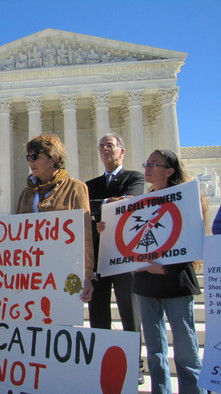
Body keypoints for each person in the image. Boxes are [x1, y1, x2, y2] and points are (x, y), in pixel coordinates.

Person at [97, 149, 205, 394]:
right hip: (145, 283)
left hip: (175, 281)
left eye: (153, 164)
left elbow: (189, 238)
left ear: (169, 170)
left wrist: (165, 267)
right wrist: (107, 227)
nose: (146, 167)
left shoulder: (185, 199)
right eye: (146, 163)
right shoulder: (141, 202)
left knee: (186, 349)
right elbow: (129, 236)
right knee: (155, 351)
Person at [86, 133, 145, 384]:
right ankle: (102, 361)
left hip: (124, 255)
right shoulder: (91, 183)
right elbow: (86, 207)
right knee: (98, 313)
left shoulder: (135, 177)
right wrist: (111, 202)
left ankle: (135, 365)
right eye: (101, 147)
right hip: (99, 254)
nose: (105, 150)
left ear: (122, 150)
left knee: (129, 311)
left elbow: (131, 205)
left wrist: (102, 209)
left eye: (109, 146)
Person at [15, 134, 94, 301]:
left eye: (35, 156)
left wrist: (86, 274)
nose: (31, 161)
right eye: (28, 156)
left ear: (52, 159)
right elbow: (15, 236)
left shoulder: (75, 188)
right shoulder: (27, 192)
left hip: (62, 269)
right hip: (31, 271)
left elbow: (85, 234)